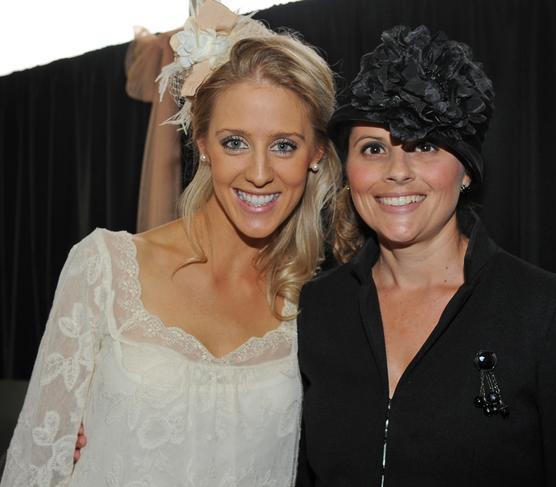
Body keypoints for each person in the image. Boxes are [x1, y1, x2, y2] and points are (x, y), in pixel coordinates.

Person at [0, 1, 340, 485]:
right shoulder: (106, 268)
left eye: (283, 144)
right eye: (235, 142)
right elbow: (34, 466)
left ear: (315, 154)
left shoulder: (316, 310)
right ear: (201, 143)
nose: (260, 173)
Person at [296, 25, 556, 486]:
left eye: (424, 145)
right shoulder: (318, 309)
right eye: (373, 149)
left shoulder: (546, 312)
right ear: (348, 169)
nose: (398, 172)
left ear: (466, 169)